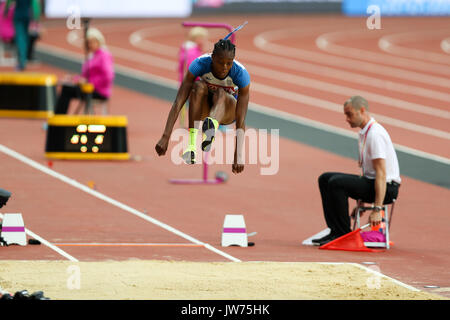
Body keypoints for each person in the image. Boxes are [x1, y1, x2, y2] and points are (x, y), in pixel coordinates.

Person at [313, 96, 401, 246]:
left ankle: (343, 234)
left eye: (349, 114)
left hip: (387, 188)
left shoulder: (375, 134)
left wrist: (376, 208)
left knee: (336, 183)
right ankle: (334, 230)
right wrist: (361, 199)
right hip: (372, 183)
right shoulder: (365, 132)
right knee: (325, 178)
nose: (346, 119)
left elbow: (381, 174)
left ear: (361, 111)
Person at [155, 37, 250, 174]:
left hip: (228, 111)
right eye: (220, 62)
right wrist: (165, 136)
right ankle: (191, 146)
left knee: (221, 93)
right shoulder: (199, 65)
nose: (224, 68)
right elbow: (178, 102)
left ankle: (212, 125)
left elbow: (241, 120)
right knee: (198, 86)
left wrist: (238, 155)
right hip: (205, 109)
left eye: (229, 63)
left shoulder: (241, 74)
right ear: (212, 58)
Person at [54, 27, 114, 114]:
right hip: (88, 88)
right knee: (66, 87)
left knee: (66, 90)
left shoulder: (104, 55)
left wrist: (89, 82)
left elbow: (108, 77)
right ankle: (58, 120)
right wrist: (73, 79)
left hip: (98, 91)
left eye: (92, 42)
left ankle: (58, 120)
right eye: (88, 43)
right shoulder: (91, 55)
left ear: (99, 41)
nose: (90, 45)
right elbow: (85, 76)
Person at [177, 26, 208, 127]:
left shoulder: (186, 49)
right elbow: (194, 69)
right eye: (203, 38)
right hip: (192, 82)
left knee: (187, 102)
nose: (205, 41)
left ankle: (185, 123)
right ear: (197, 38)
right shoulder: (193, 52)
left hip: (184, 81)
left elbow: (181, 66)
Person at [3, 0, 40, 70]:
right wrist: (36, 18)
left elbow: (8, 2)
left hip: (18, 16)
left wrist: (6, 11)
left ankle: (22, 61)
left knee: (20, 39)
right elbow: (35, 5)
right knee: (25, 38)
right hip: (27, 16)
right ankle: (24, 58)